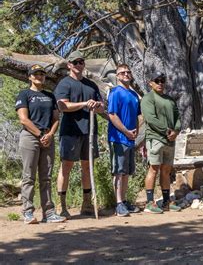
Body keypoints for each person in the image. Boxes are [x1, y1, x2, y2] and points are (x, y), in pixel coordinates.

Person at [54, 50, 104, 218]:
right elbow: (62, 106)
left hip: (89, 131)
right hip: (70, 132)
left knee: (87, 167)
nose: (79, 65)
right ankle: (62, 206)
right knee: (66, 167)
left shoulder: (91, 85)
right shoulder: (64, 84)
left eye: (81, 62)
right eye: (75, 62)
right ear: (69, 65)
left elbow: (102, 107)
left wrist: (96, 105)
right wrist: (84, 104)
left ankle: (87, 203)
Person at [16, 65, 66, 224]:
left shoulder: (50, 96)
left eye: (42, 74)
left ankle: (49, 213)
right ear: (30, 77)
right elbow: (23, 119)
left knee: (46, 177)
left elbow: (56, 118)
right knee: (29, 176)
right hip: (30, 137)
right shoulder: (24, 94)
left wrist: (50, 134)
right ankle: (28, 212)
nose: (39, 76)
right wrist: (40, 134)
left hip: (48, 137)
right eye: (35, 74)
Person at [141, 72, 182, 214]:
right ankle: (149, 202)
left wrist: (176, 131)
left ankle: (166, 202)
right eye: (157, 81)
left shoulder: (170, 100)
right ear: (150, 83)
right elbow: (151, 119)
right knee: (154, 168)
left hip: (170, 140)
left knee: (166, 170)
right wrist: (166, 131)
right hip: (156, 139)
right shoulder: (148, 99)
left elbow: (177, 117)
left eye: (162, 80)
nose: (160, 83)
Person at [107, 64, 141, 217]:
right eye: (123, 72)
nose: (126, 74)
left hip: (130, 139)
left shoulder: (133, 95)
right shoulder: (115, 93)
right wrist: (126, 132)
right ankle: (118, 203)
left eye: (128, 72)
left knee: (126, 171)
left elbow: (138, 115)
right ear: (117, 76)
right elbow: (112, 115)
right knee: (119, 171)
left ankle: (125, 200)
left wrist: (135, 132)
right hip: (118, 138)